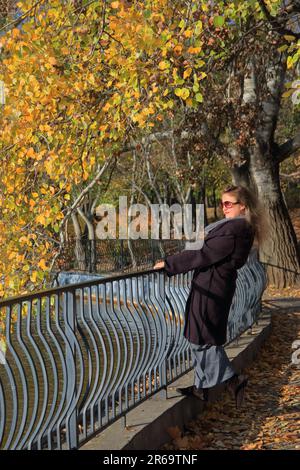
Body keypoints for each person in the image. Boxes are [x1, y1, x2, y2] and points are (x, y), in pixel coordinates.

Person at [153, 185, 265, 407]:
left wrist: (169, 264)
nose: (224, 208)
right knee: (200, 333)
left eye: (229, 204)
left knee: (201, 336)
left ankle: (233, 380)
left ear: (242, 207)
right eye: (222, 203)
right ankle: (201, 387)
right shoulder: (237, 227)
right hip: (214, 285)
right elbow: (202, 249)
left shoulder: (234, 229)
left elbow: (202, 254)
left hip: (212, 287)